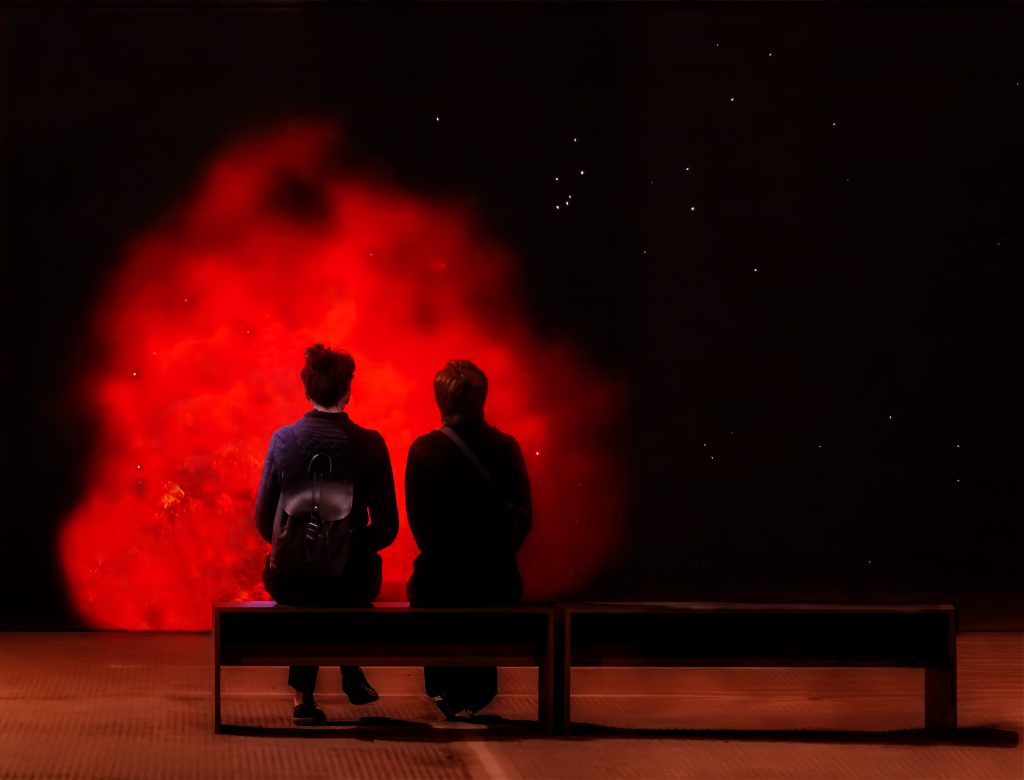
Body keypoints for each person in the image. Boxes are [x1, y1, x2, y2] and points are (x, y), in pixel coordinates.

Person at [255, 344, 398, 725]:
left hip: (290, 580)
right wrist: (345, 545)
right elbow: (387, 529)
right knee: (342, 582)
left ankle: (304, 694)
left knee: (309, 585)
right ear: (348, 391)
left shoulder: (283, 441)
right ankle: (350, 668)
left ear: (307, 390)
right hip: (351, 581)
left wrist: (305, 545)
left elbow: (262, 520)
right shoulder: (370, 444)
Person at [405, 360, 532, 719]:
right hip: (496, 581)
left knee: (429, 587)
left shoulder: (423, 450)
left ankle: (445, 688)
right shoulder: (506, 447)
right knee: (483, 603)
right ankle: (476, 691)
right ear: (482, 399)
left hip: (439, 583)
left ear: (440, 401)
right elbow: (524, 517)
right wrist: (497, 554)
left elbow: (419, 527)